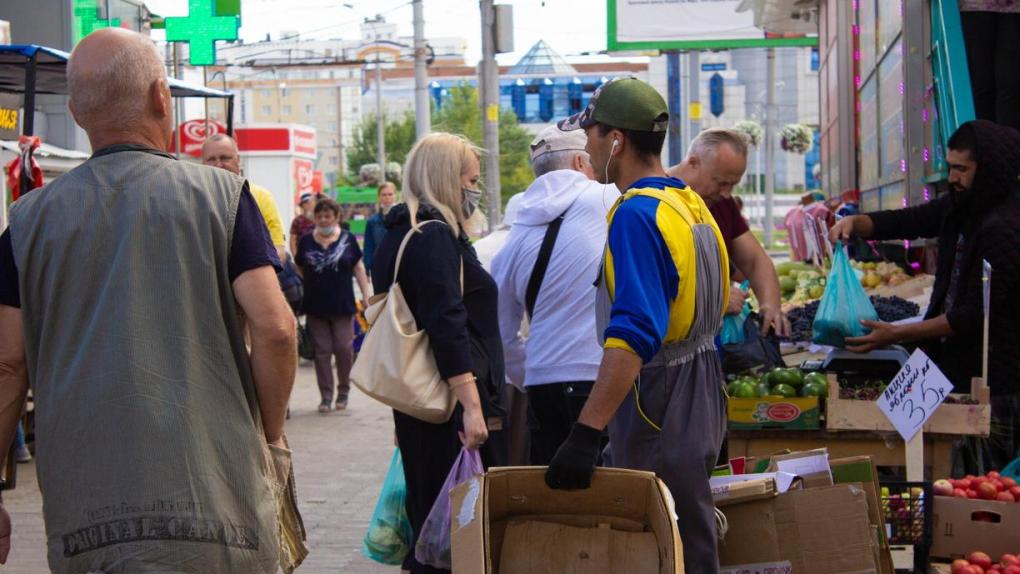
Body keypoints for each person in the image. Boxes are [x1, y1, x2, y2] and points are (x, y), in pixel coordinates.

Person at [0, 28, 297, 572]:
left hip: (88, 524)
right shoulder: (225, 198)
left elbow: (7, 363)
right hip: (217, 510)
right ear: (162, 97)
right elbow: (276, 330)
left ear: (76, 111)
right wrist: (271, 437)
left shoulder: (26, 223)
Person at [543, 77, 730, 574]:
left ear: (616, 141)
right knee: (690, 535)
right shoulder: (688, 205)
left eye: (591, 133)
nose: (586, 145)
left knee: (659, 543)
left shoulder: (638, 215)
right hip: (701, 387)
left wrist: (586, 431)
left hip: (660, 398)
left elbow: (633, 335)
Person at [830, 119, 1020, 470]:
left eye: (962, 169)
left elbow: (971, 315)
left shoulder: (1004, 229)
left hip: (993, 380)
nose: (952, 177)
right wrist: (857, 224)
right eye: (950, 167)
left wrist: (898, 334)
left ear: (990, 171)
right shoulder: (960, 208)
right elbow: (908, 220)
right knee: (905, 446)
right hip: (948, 365)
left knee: (978, 477)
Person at [371, 133, 506, 574]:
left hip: (421, 400)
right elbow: (447, 324)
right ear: (448, 180)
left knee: (430, 519)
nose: (475, 189)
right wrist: (471, 406)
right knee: (448, 530)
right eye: (470, 179)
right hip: (447, 403)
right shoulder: (432, 237)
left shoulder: (400, 233)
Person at [491, 124, 611, 465]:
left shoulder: (514, 237)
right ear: (578, 162)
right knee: (611, 497)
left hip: (543, 384)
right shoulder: (607, 200)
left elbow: (502, 334)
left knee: (554, 495)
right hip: (598, 378)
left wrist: (530, 373)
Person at [668, 127, 789, 337]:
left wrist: (771, 305)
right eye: (721, 182)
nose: (726, 194)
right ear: (693, 162)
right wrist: (718, 299)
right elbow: (657, 285)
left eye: (733, 185)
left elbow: (754, 260)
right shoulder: (656, 201)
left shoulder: (722, 203)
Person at [295, 196, 372, 413]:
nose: (324, 220)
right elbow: (300, 267)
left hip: (342, 305)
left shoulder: (347, 239)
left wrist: (367, 294)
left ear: (336, 217)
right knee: (322, 351)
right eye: (319, 216)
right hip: (315, 306)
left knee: (343, 348)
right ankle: (326, 396)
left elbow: (358, 268)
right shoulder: (306, 241)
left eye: (328, 216)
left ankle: (344, 390)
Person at [202, 133, 287, 260]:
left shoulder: (261, 197)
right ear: (202, 162)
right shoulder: (193, 199)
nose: (218, 165)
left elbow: (279, 252)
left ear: (238, 160)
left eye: (225, 158)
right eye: (211, 159)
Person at [960, 1, 1020, 131]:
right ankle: (986, 144)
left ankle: (1008, 145)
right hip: (974, 8)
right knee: (982, 84)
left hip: (1014, 9)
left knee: (1011, 84)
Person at [363, 180, 397, 276]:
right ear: (379, 197)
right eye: (384, 195)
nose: (387, 197)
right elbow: (368, 245)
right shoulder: (372, 221)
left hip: (399, 264)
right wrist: (367, 266)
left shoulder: (403, 218)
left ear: (395, 195)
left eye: (390, 194)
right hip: (380, 266)